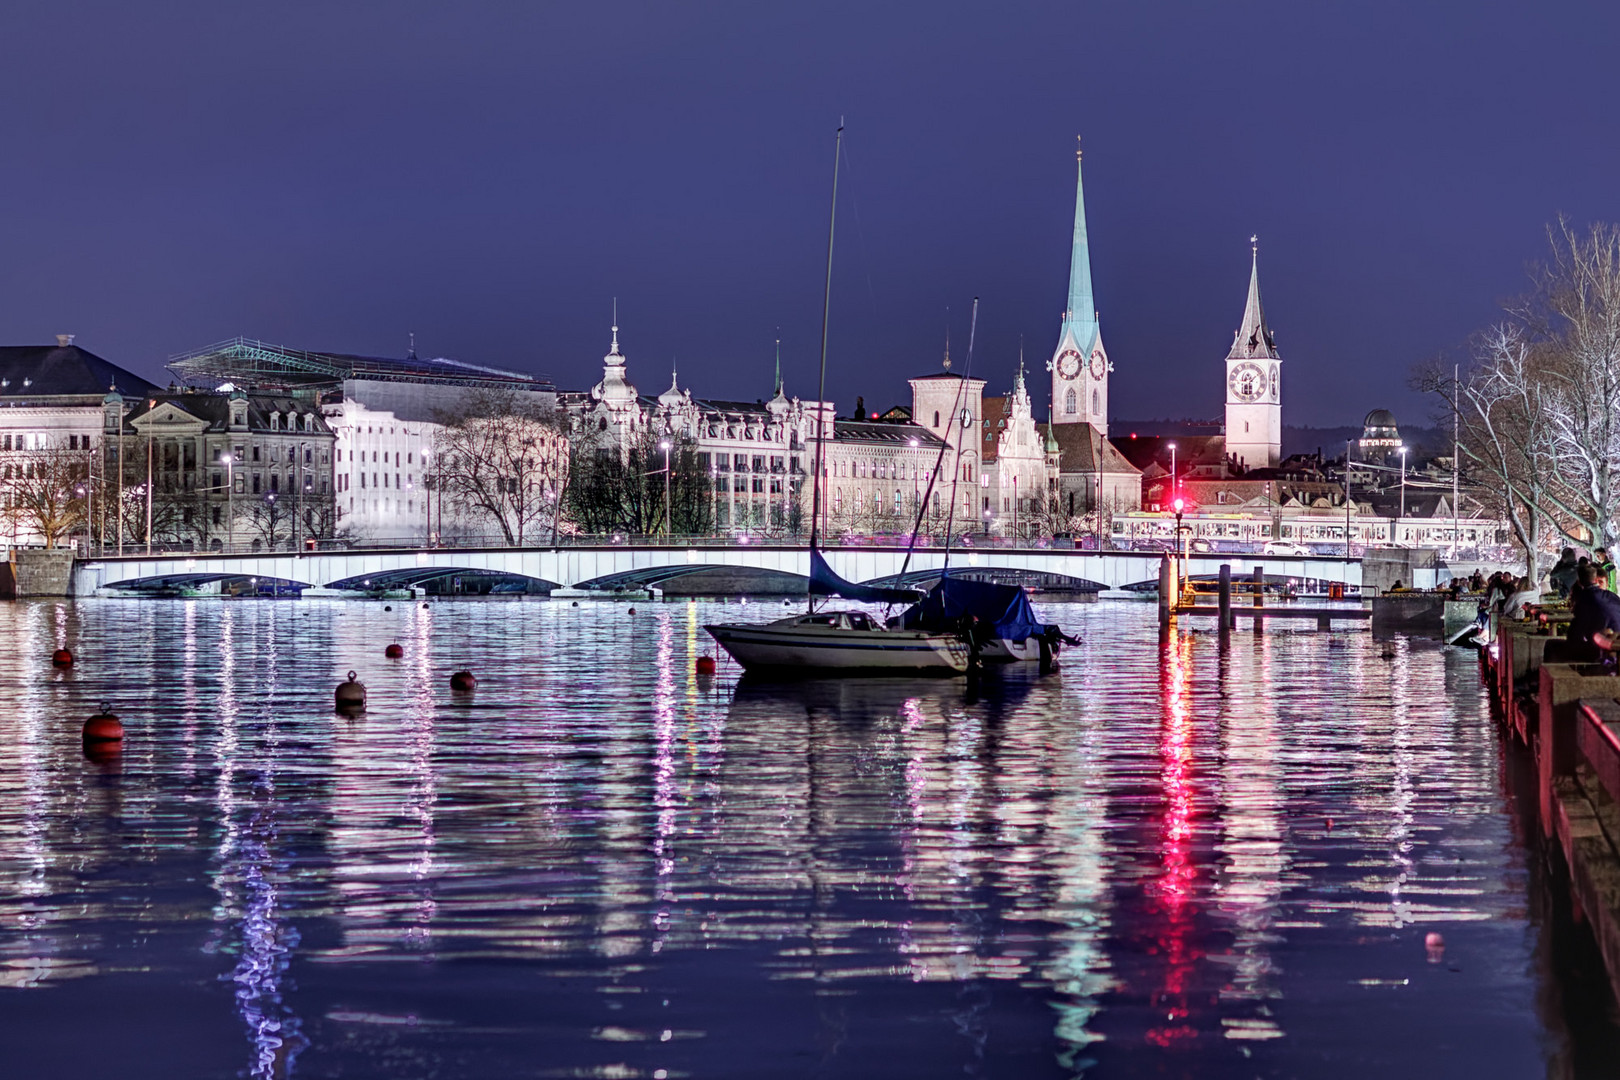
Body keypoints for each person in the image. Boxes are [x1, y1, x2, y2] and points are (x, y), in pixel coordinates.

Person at [1566, 565, 1620, 661]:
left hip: (1605, 647)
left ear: (1579, 582)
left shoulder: (1583, 598)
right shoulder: (1612, 596)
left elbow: (1576, 630)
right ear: (1595, 580)